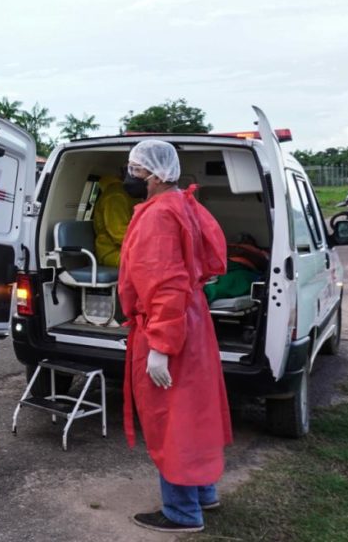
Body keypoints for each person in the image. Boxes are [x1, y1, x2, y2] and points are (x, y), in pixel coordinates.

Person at [118, 140, 232, 533]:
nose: (129, 175)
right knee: (194, 411)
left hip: (169, 326)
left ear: (153, 174)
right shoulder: (184, 203)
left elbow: (164, 283)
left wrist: (161, 347)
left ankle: (182, 512)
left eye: (134, 168)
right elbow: (210, 261)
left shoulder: (158, 216)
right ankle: (203, 492)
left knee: (172, 418)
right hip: (192, 321)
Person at [94, 173, 137, 267]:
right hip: (112, 251)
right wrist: (146, 245)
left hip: (125, 249)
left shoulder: (127, 193)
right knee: (151, 263)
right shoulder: (115, 195)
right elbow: (119, 233)